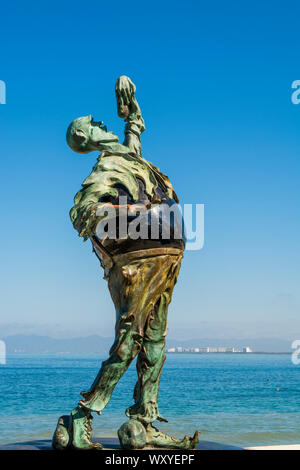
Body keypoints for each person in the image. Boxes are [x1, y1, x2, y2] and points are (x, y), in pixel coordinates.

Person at [52, 76, 198, 450]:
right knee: (129, 340)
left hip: (167, 257)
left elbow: (134, 126)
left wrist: (128, 102)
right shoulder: (102, 170)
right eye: (92, 125)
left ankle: (143, 422)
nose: (99, 124)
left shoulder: (128, 155)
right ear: (84, 139)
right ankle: (83, 415)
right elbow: (83, 214)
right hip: (137, 262)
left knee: (155, 341)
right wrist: (133, 212)